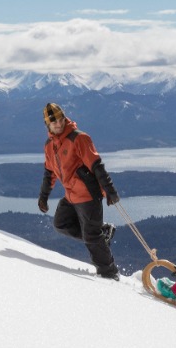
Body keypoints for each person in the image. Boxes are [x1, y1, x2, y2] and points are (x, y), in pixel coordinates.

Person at [37, 102, 121, 280]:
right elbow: (49, 172)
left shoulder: (79, 138)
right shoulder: (49, 145)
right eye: (54, 123)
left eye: (60, 120)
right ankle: (103, 233)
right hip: (71, 195)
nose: (58, 124)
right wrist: (43, 197)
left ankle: (109, 273)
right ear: (47, 125)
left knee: (91, 236)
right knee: (61, 224)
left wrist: (109, 190)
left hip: (88, 195)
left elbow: (96, 165)